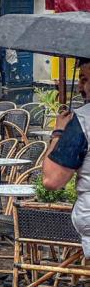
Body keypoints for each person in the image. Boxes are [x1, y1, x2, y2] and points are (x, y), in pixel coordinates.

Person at [43, 57, 90, 256]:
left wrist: (58, 133)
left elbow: (52, 180)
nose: (80, 86)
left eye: (85, 79)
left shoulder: (82, 121)